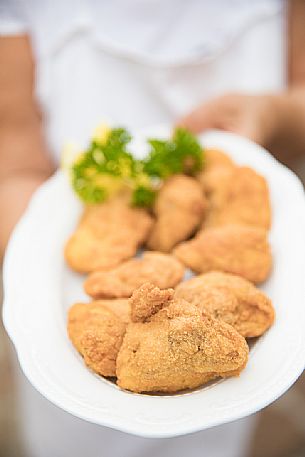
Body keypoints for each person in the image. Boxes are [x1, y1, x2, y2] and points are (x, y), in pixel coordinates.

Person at [0, 1, 305, 456]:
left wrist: (274, 113)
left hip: (228, 393)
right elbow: (13, 158)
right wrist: (29, 263)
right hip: (70, 400)